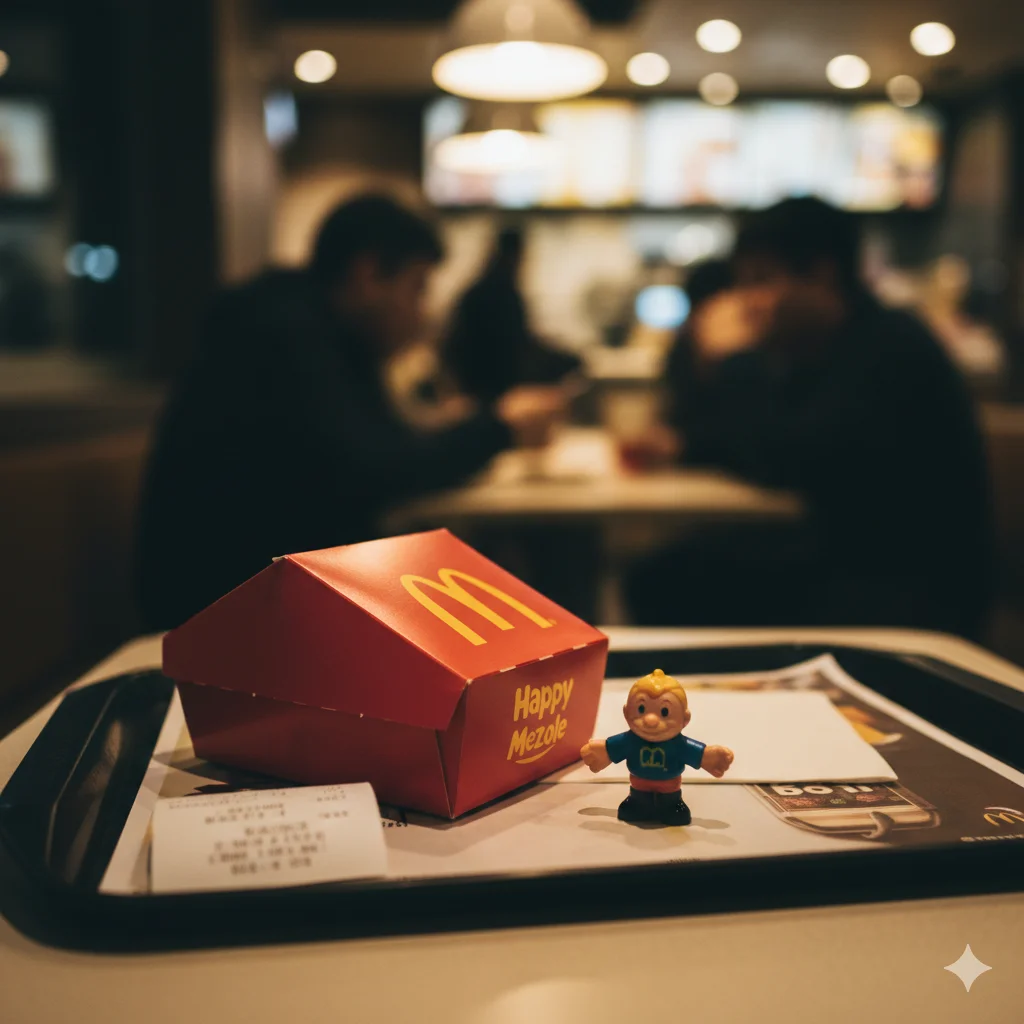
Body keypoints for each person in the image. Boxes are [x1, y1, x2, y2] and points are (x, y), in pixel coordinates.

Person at [137, 195, 566, 629]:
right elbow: (378, 468)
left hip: (276, 596)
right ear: (368, 274)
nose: (421, 314)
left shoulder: (318, 330)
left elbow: (377, 449)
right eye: (416, 288)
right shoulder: (283, 334)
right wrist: (500, 427)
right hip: (226, 622)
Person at [626, 198, 994, 636]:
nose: (746, 302)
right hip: (857, 563)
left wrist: (737, 358)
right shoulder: (827, 346)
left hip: (909, 592)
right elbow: (764, 437)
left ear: (822, 275)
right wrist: (683, 444)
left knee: (667, 582)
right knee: (669, 570)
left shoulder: (889, 347)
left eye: (761, 281)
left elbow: (787, 458)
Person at [442, 226, 580, 405]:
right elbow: (519, 345)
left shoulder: (476, 289)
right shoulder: (505, 293)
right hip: (495, 391)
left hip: (473, 388)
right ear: (517, 255)